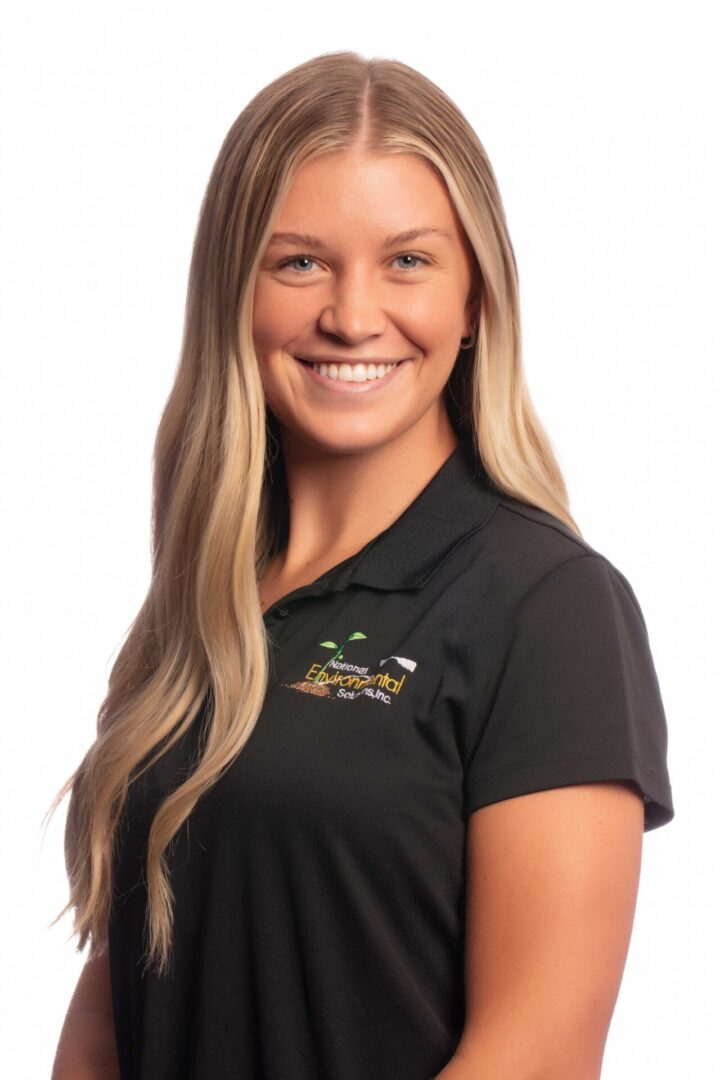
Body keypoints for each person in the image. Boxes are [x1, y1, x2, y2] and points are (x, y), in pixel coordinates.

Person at [48, 51, 674, 1080]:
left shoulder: (545, 607)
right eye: (299, 262)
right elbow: (114, 1018)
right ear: (232, 296)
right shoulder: (204, 607)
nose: (350, 313)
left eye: (408, 261)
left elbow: (537, 1055)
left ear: (475, 296)